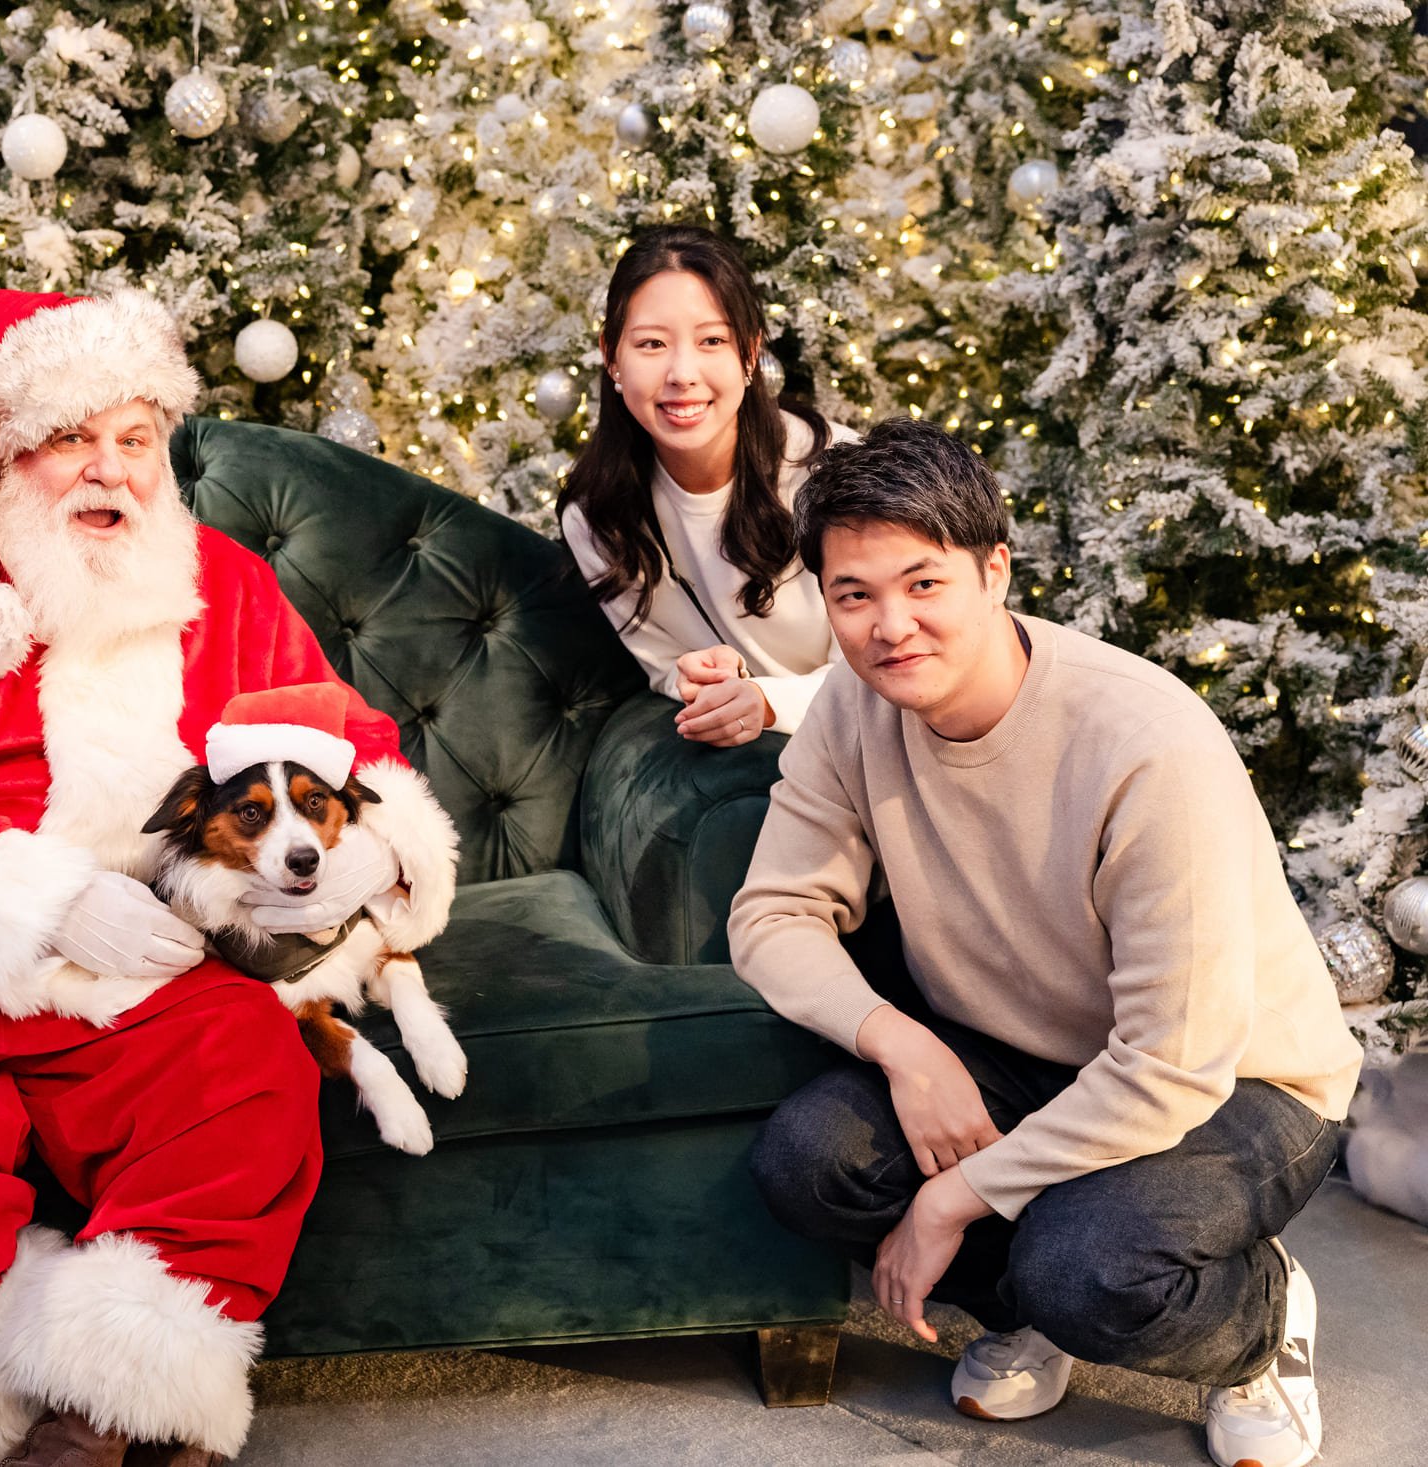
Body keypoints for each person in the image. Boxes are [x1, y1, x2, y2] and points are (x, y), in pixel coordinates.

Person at [0, 289, 460, 1467]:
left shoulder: (222, 587)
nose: (109, 471)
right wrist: (37, 897)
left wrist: (352, 855)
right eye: (71, 439)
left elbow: (333, 740)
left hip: (142, 953)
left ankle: (115, 1399)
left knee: (252, 1070)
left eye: (135, 439)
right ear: (5, 454)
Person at [728, 417, 1361, 1467]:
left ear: (992, 573)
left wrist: (956, 1198)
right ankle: (1027, 1296)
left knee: (1091, 1273)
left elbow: (1170, 1061)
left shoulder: (1143, 744)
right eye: (854, 595)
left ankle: (1260, 1323)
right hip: (1024, 1050)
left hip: (1241, 1077)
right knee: (809, 1160)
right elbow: (771, 914)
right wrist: (903, 1044)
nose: (890, 626)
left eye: (922, 583)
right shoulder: (852, 708)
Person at [558, 225, 854, 747]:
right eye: (651, 344)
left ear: (749, 355)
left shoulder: (838, 471)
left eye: (712, 341)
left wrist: (764, 702)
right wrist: (692, 678)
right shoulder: (597, 517)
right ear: (611, 356)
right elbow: (661, 665)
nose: (682, 373)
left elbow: (886, 672)